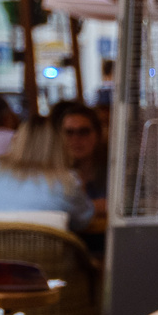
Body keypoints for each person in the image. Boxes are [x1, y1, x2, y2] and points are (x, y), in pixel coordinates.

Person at [0, 112, 100, 235]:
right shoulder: (67, 180)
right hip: (47, 255)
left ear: (17, 140)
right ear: (59, 145)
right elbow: (83, 220)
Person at [52, 98, 110, 229]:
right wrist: (97, 206)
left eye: (83, 132)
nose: (76, 139)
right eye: (69, 133)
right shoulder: (53, 173)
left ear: (98, 135)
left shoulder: (112, 171)